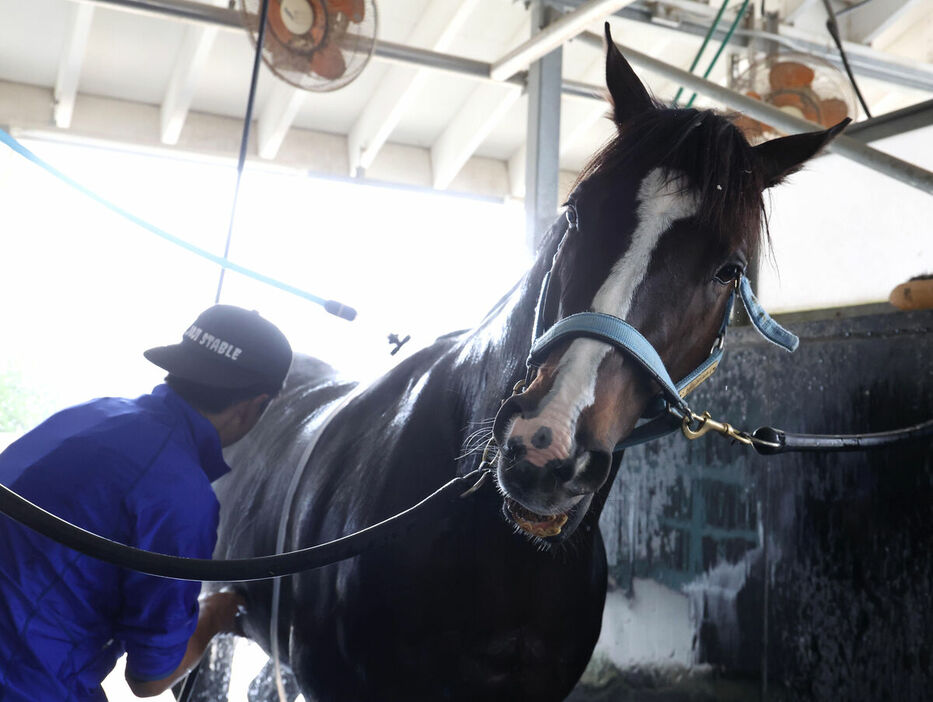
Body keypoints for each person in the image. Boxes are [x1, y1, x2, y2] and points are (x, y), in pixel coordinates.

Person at [0, 304, 292, 701]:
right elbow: (150, 679)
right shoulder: (182, 499)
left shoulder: (89, 414)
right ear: (254, 406)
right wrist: (216, 613)